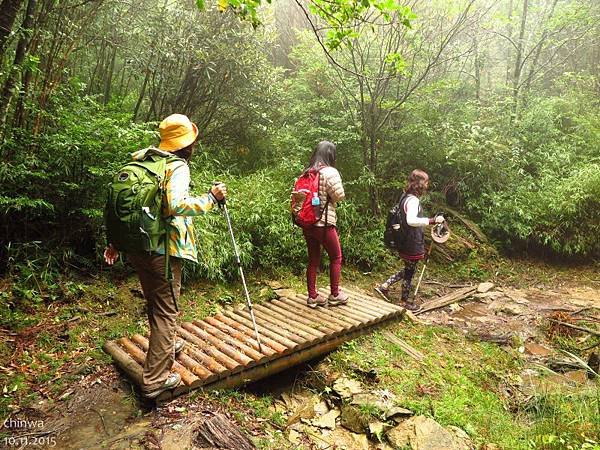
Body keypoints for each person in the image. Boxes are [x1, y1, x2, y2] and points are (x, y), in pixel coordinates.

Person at [103, 114, 226, 399]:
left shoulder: (142, 161)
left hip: (136, 247)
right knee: (166, 310)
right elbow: (175, 205)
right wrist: (211, 198)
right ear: (187, 143)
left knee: (156, 302)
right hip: (161, 250)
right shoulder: (177, 166)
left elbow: (127, 207)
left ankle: (166, 346)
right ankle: (155, 380)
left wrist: (115, 243)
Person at [375, 169, 444, 311]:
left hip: (403, 239)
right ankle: (404, 302)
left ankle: (385, 286)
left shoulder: (405, 196)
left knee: (409, 268)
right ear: (419, 184)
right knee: (410, 271)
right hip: (410, 241)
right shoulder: (413, 200)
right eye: (425, 181)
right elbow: (411, 220)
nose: (427, 184)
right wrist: (432, 221)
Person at [299, 141, 347, 308]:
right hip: (324, 223)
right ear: (330, 154)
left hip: (307, 223)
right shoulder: (330, 172)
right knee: (336, 257)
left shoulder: (307, 172)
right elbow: (339, 196)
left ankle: (312, 296)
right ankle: (335, 294)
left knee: (313, 260)